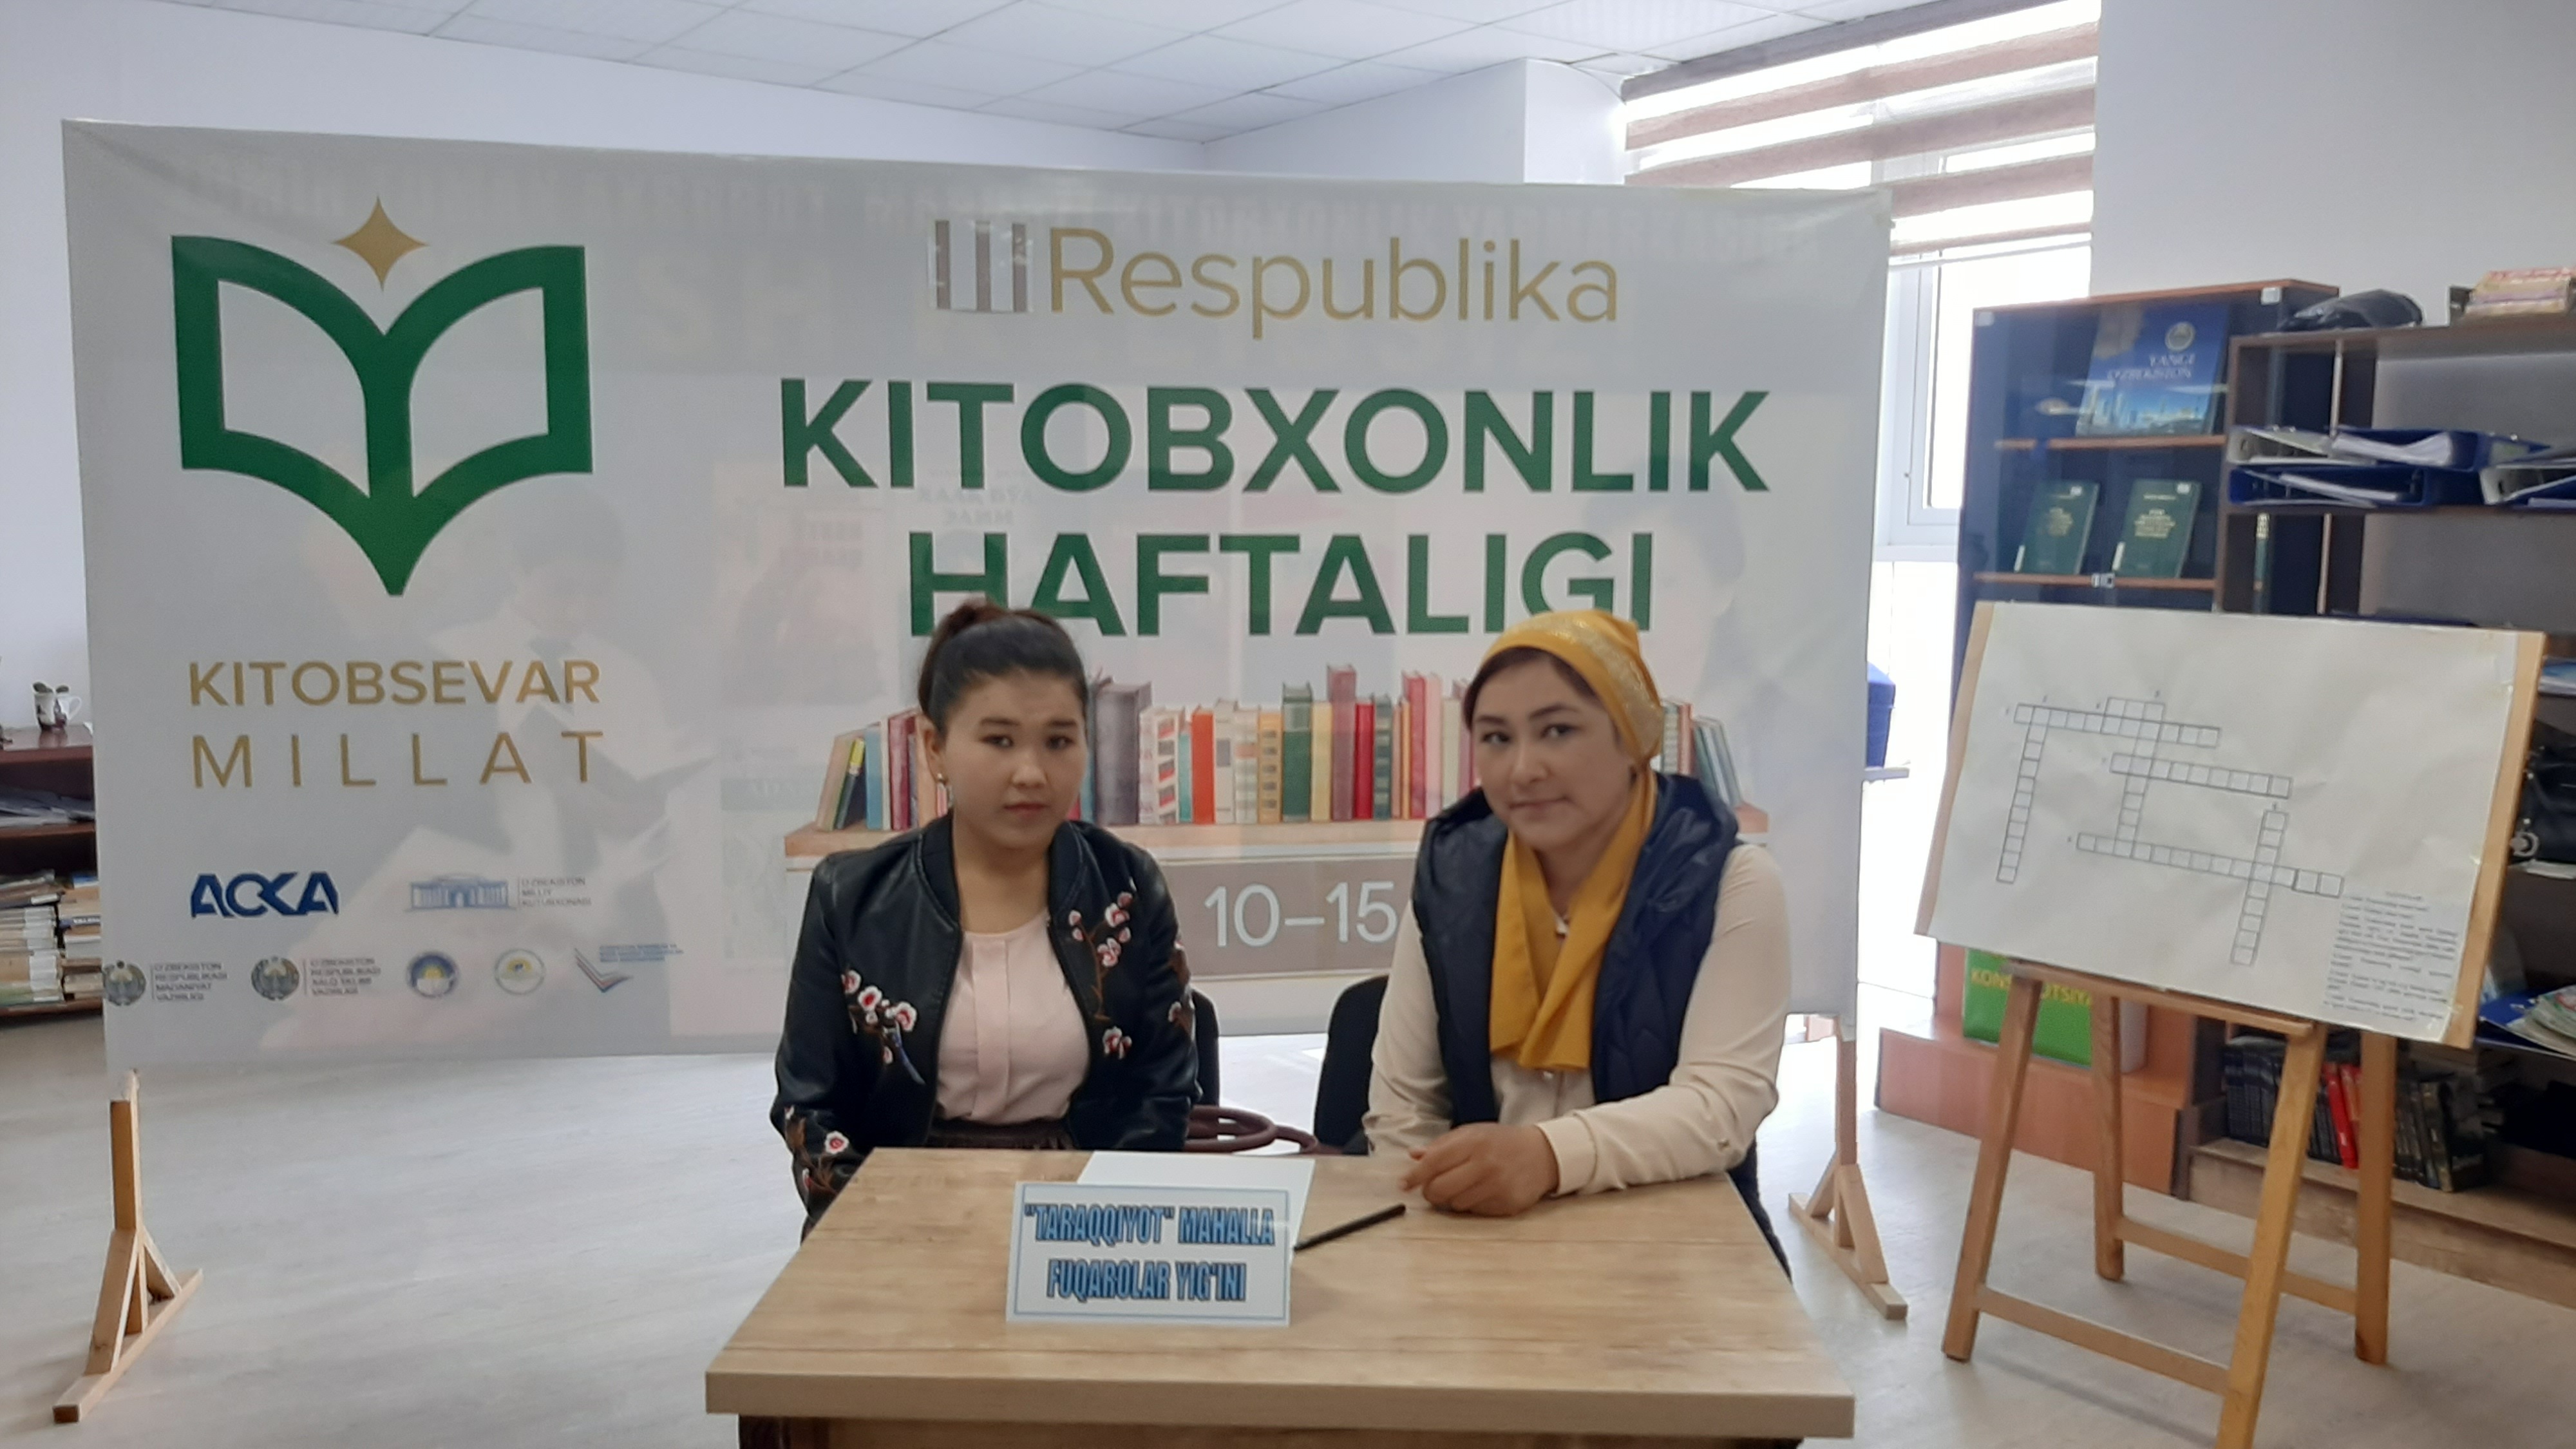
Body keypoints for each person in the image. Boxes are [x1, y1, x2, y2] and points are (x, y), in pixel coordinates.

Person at [1364, 610, 1791, 1264]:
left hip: (1675, 1247)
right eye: (1496, 738)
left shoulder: (1731, 881)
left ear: (1632, 737)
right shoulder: (1452, 877)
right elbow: (1404, 1109)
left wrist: (1545, 1156)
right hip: (1481, 1238)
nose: (1522, 769)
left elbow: (1720, 1107)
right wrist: (1421, 1237)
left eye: (1558, 731)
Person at [771, 601, 1196, 1232]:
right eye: (999, 740)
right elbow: (809, 1106)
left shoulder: (1127, 885)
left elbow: (1164, 1092)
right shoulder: (852, 898)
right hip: (897, 1214)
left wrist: (1094, 1225)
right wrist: (884, 1229)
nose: (1031, 772)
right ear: (935, 747)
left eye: (1059, 741)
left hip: (1084, 1217)